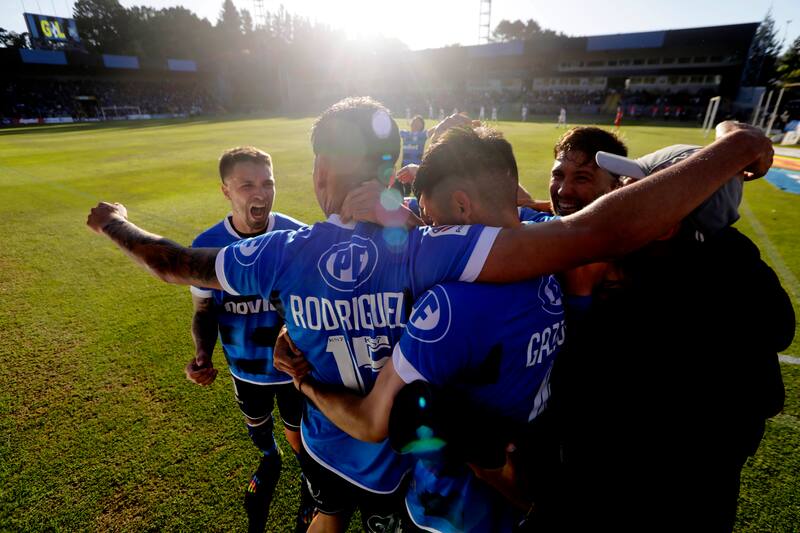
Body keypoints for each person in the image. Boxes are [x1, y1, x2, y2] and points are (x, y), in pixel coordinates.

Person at [86, 97, 773, 532]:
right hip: (430, 480)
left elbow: (173, 261)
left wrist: (115, 223)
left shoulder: (291, 253)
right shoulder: (446, 252)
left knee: (325, 505)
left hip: (398, 475)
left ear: (320, 169)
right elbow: (579, 232)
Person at [275, 127, 564, 532]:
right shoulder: (553, 249)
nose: (425, 232)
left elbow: (371, 423)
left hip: (444, 509)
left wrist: (303, 382)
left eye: (431, 220)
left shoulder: (449, 306)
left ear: (462, 207)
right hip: (530, 481)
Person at [548, 126, 793, 532]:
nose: (617, 200)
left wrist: (582, 302)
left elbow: (577, 413)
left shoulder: (638, 314)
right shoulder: (732, 273)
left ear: (664, 223)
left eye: (633, 192)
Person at [186, 147, 311, 532]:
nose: (261, 193)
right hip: (244, 370)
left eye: (268, 183)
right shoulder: (206, 246)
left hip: (295, 372)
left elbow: (312, 308)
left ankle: (309, 482)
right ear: (226, 190)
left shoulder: (297, 235)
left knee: (301, 438)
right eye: (247, 185)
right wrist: (203, 354)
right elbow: (204, 311)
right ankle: (268, 458)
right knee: (259, 428)